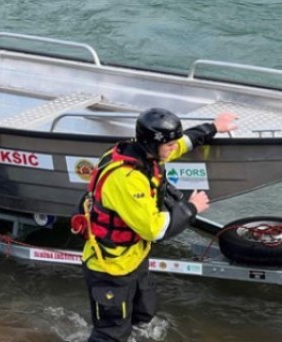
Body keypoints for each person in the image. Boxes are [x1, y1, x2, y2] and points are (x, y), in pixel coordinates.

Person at [77, 108, 237, 342]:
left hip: (135, 257)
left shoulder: (145, 153)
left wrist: (213, 127)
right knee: (111, 333)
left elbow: (182, 143)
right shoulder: (127, 178)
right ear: (152, 144)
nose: (174, 148)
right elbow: (155, 230)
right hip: (110, 266)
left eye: (172, 144)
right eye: (169, 145)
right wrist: (192, 208)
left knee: (143, 314)